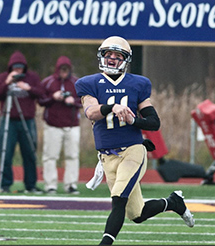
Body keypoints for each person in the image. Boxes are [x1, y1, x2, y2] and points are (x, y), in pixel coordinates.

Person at [75, 36, 195, 245]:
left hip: (132, 151)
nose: (112, 59)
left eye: (117, 55)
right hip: (107, 157)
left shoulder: (138, 84)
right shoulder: (88, 83)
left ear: (125, 60)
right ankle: (174, 202)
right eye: (108, 55)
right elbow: (91, 112)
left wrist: (133, 120)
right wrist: (111, 107)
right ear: (101, 57)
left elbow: (153, 123)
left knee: (118, 200)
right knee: (137, 214)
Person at [0, 50, 43, 193]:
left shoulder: (32, 78)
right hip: (8, 120)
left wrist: (28, 88)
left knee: (29, 152)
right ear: (11, 67)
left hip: (27, 120)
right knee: (5, 152)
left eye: (20, 67)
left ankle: (30, 185)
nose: (18, 70)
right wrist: (7, 82)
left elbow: (41, 94)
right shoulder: (4, 77)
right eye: (15, 67)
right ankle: (5, 183)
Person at [38, 56, 82, 194]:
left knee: (72, 155)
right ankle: (50, 184)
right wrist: (53, 97)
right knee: (50, 156)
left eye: (66, 69)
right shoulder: (48, 82)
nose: (64, 72)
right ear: (57, 69)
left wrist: (72, 101)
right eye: (62, 69)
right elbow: (40, 100)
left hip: (72, 124)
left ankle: (71, 184)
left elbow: (84, 101)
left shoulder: (76, 83)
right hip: (53, 125)